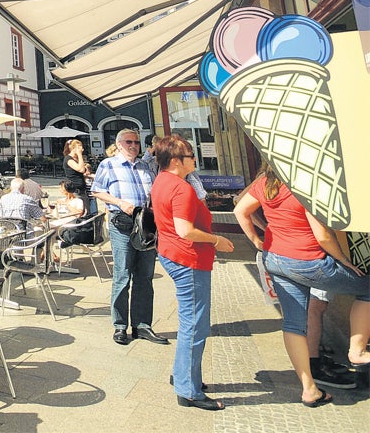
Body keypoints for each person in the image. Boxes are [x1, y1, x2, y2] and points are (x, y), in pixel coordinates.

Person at [234, 163, 370, 407]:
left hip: (275, 259)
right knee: (368, 288)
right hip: (308, 261)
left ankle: (309, 389)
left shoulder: (266, 180)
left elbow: (239, 210)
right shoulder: (304, 185)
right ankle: (357, 352)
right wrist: (343, 260)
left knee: (293, 323)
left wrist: (258, 240)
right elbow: (322, 236)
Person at [150, 134, 234, 411]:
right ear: (176, 161)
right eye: (190, 156)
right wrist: (216, 240)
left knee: (191, 321)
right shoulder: (180, 187)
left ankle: (184, 375)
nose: (194, 160)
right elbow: (185, 230)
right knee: (195, 325)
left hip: (174, 254)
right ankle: (188, 390)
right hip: (188, 258)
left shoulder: (162, 180)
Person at [90, 128, 166, 346]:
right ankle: (120, 325)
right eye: (129, 142)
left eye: (136, 142)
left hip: (146, 226)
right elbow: (97, 191)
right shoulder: (108, 164)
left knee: (145, 276)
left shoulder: (146, 166)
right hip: (122, 225)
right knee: (122, 275)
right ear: (119, 144)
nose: (134, 145)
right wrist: (119, 203)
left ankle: (142, 325)